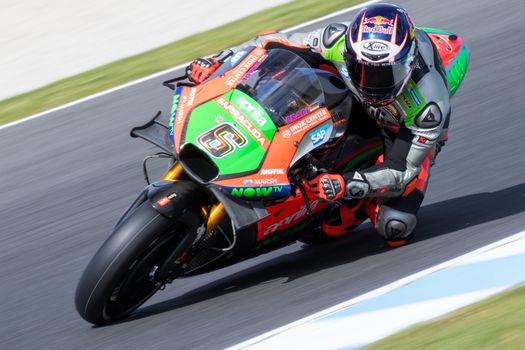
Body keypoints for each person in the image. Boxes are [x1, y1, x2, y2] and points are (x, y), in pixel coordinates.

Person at [186, 3, 451, 247]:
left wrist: (345, 184)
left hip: (400, 129)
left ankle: (356, 203)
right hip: (349, 97)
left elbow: (402, 171)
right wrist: (218, 59)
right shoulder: (336, 39)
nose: (371, 81)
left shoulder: (428, 105)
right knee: (282, 69)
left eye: (384, 73)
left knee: (395, 227)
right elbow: (272, 41)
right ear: (350, 53)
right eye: (362, 68)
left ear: (408, 65)